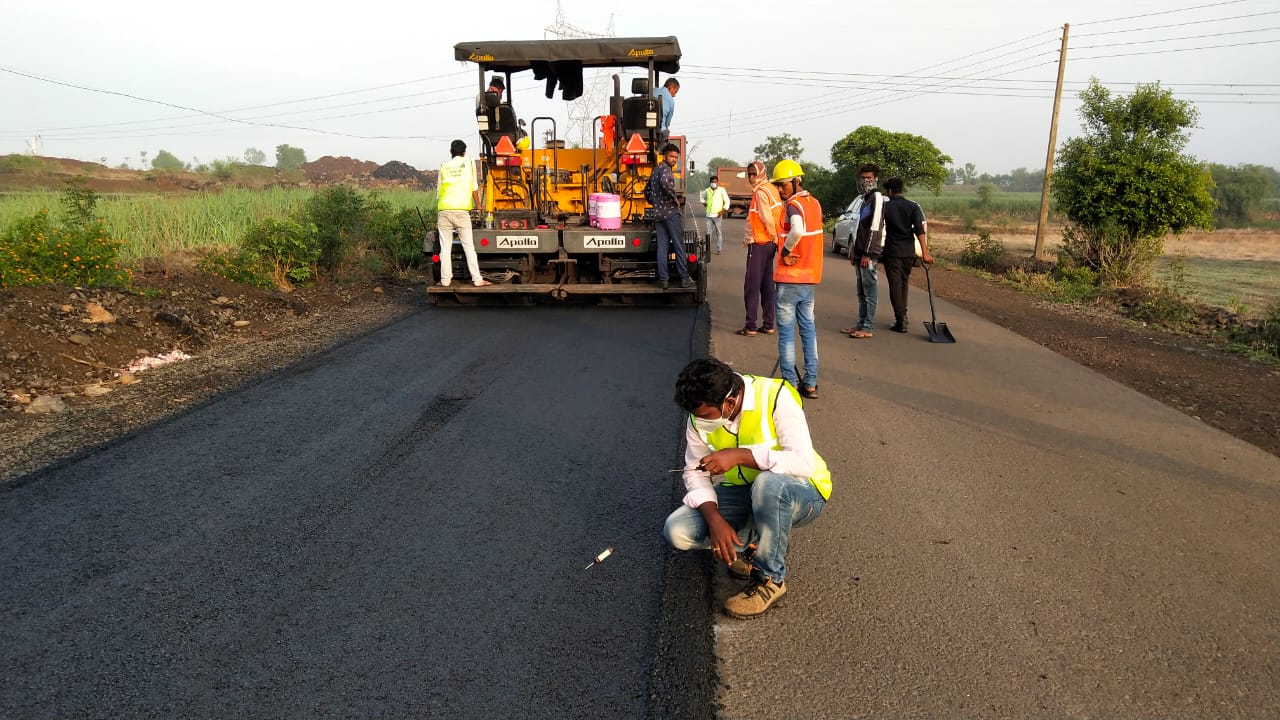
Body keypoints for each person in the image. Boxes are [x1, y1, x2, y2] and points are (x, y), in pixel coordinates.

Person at [663, 357, 831, 619]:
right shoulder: (699, 417)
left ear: (729, 403)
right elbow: (694, 473)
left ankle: (770, 579)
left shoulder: (776, 396)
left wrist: (739, 455)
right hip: (746, 493)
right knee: (678, 530)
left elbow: (803, 462)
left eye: (704, 416)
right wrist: (714, 519)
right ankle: (758, 541)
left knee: (768, 484)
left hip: (801, 492)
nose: (699, 422)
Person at [771, 159, 824, 399]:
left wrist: (784, 251)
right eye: (778, 186)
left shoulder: (793, 206)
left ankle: (790, 385)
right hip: (809, 279)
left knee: (785, 334)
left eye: (783, 185)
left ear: (796, 182)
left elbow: (797, 230)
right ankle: (810, 382)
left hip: (788, 279)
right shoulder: (814, 204)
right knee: (808, 331)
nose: (781, 190)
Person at [880, 177, 933, 332]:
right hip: (908, 251)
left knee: (895, 285)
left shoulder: (886, 207)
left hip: (892, 251)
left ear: (890, 191)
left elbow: (876, 228)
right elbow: (919, 230)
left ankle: (900, 319)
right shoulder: (913, 206)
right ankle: (902, 314)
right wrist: (925, 253)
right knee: (904, 282)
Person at [436, 139, 491, 287]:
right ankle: (477, 280)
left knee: (445, 248)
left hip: (444, 211)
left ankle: (445, 281)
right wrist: (479, 205)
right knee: (468, 247)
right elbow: (474, 187)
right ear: (464, 152)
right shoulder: (468, 163)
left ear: (451, 152)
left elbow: (438, 192)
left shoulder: (444, 167)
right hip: (461, 212)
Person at [843, 164, 886, 339]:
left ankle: (867, 327)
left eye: (869, 178)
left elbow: (875, 227)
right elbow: (859, 226)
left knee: (869, 291)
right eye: (863, 178)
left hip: (870, 253)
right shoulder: (865, 199)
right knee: (861, 292)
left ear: (876, 179)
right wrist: (855, 252)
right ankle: (860, 324)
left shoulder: (877, 198)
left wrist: (867, 253)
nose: (865, 181)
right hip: (860, 252)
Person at [739, 160, 780, 337]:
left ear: (761, 173)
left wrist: (773, 237)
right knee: (767, 284)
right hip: (769, 244)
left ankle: (750, 326)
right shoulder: (772, 189)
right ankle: (769, 324)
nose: (751, 177)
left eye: (753, 173)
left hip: (760, 242)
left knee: (752, 285)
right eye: (749, 174)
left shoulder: (762, 192)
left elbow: (767, 219)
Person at [644, 143, 693, 289]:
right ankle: (684, 278)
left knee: (662, 248)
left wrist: (655, 202)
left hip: (658, 215)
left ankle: (663, 280)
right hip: (671, 214)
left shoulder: (655, 170)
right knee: (679, 246)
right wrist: (674, 198)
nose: (674, 160)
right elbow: (665, 183)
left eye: (676, 158)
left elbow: (647, 191)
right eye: (671, 156)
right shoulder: (665, 170)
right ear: (664, 155)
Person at [703, 175, 731, 254]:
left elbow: (727, 201)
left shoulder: (721, 190)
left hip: (717, 216)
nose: (713, 183)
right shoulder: (707, 190)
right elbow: (701, 197)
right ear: (710, 183)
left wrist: (722, 211)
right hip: (708, 215)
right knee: (708, 233)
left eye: (715, 182)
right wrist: (703, 203)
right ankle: (707, 249)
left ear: (717, 182)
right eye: (712, 182)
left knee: (718, 232)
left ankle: (719, 249)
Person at [654, 77, 680, 144]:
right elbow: (667, 123)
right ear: (670, 88)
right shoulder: (671, 101)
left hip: (639, 128)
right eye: (675, 92)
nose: (675, 95)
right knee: (666, 133)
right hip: (657, 132)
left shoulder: (650, 91)